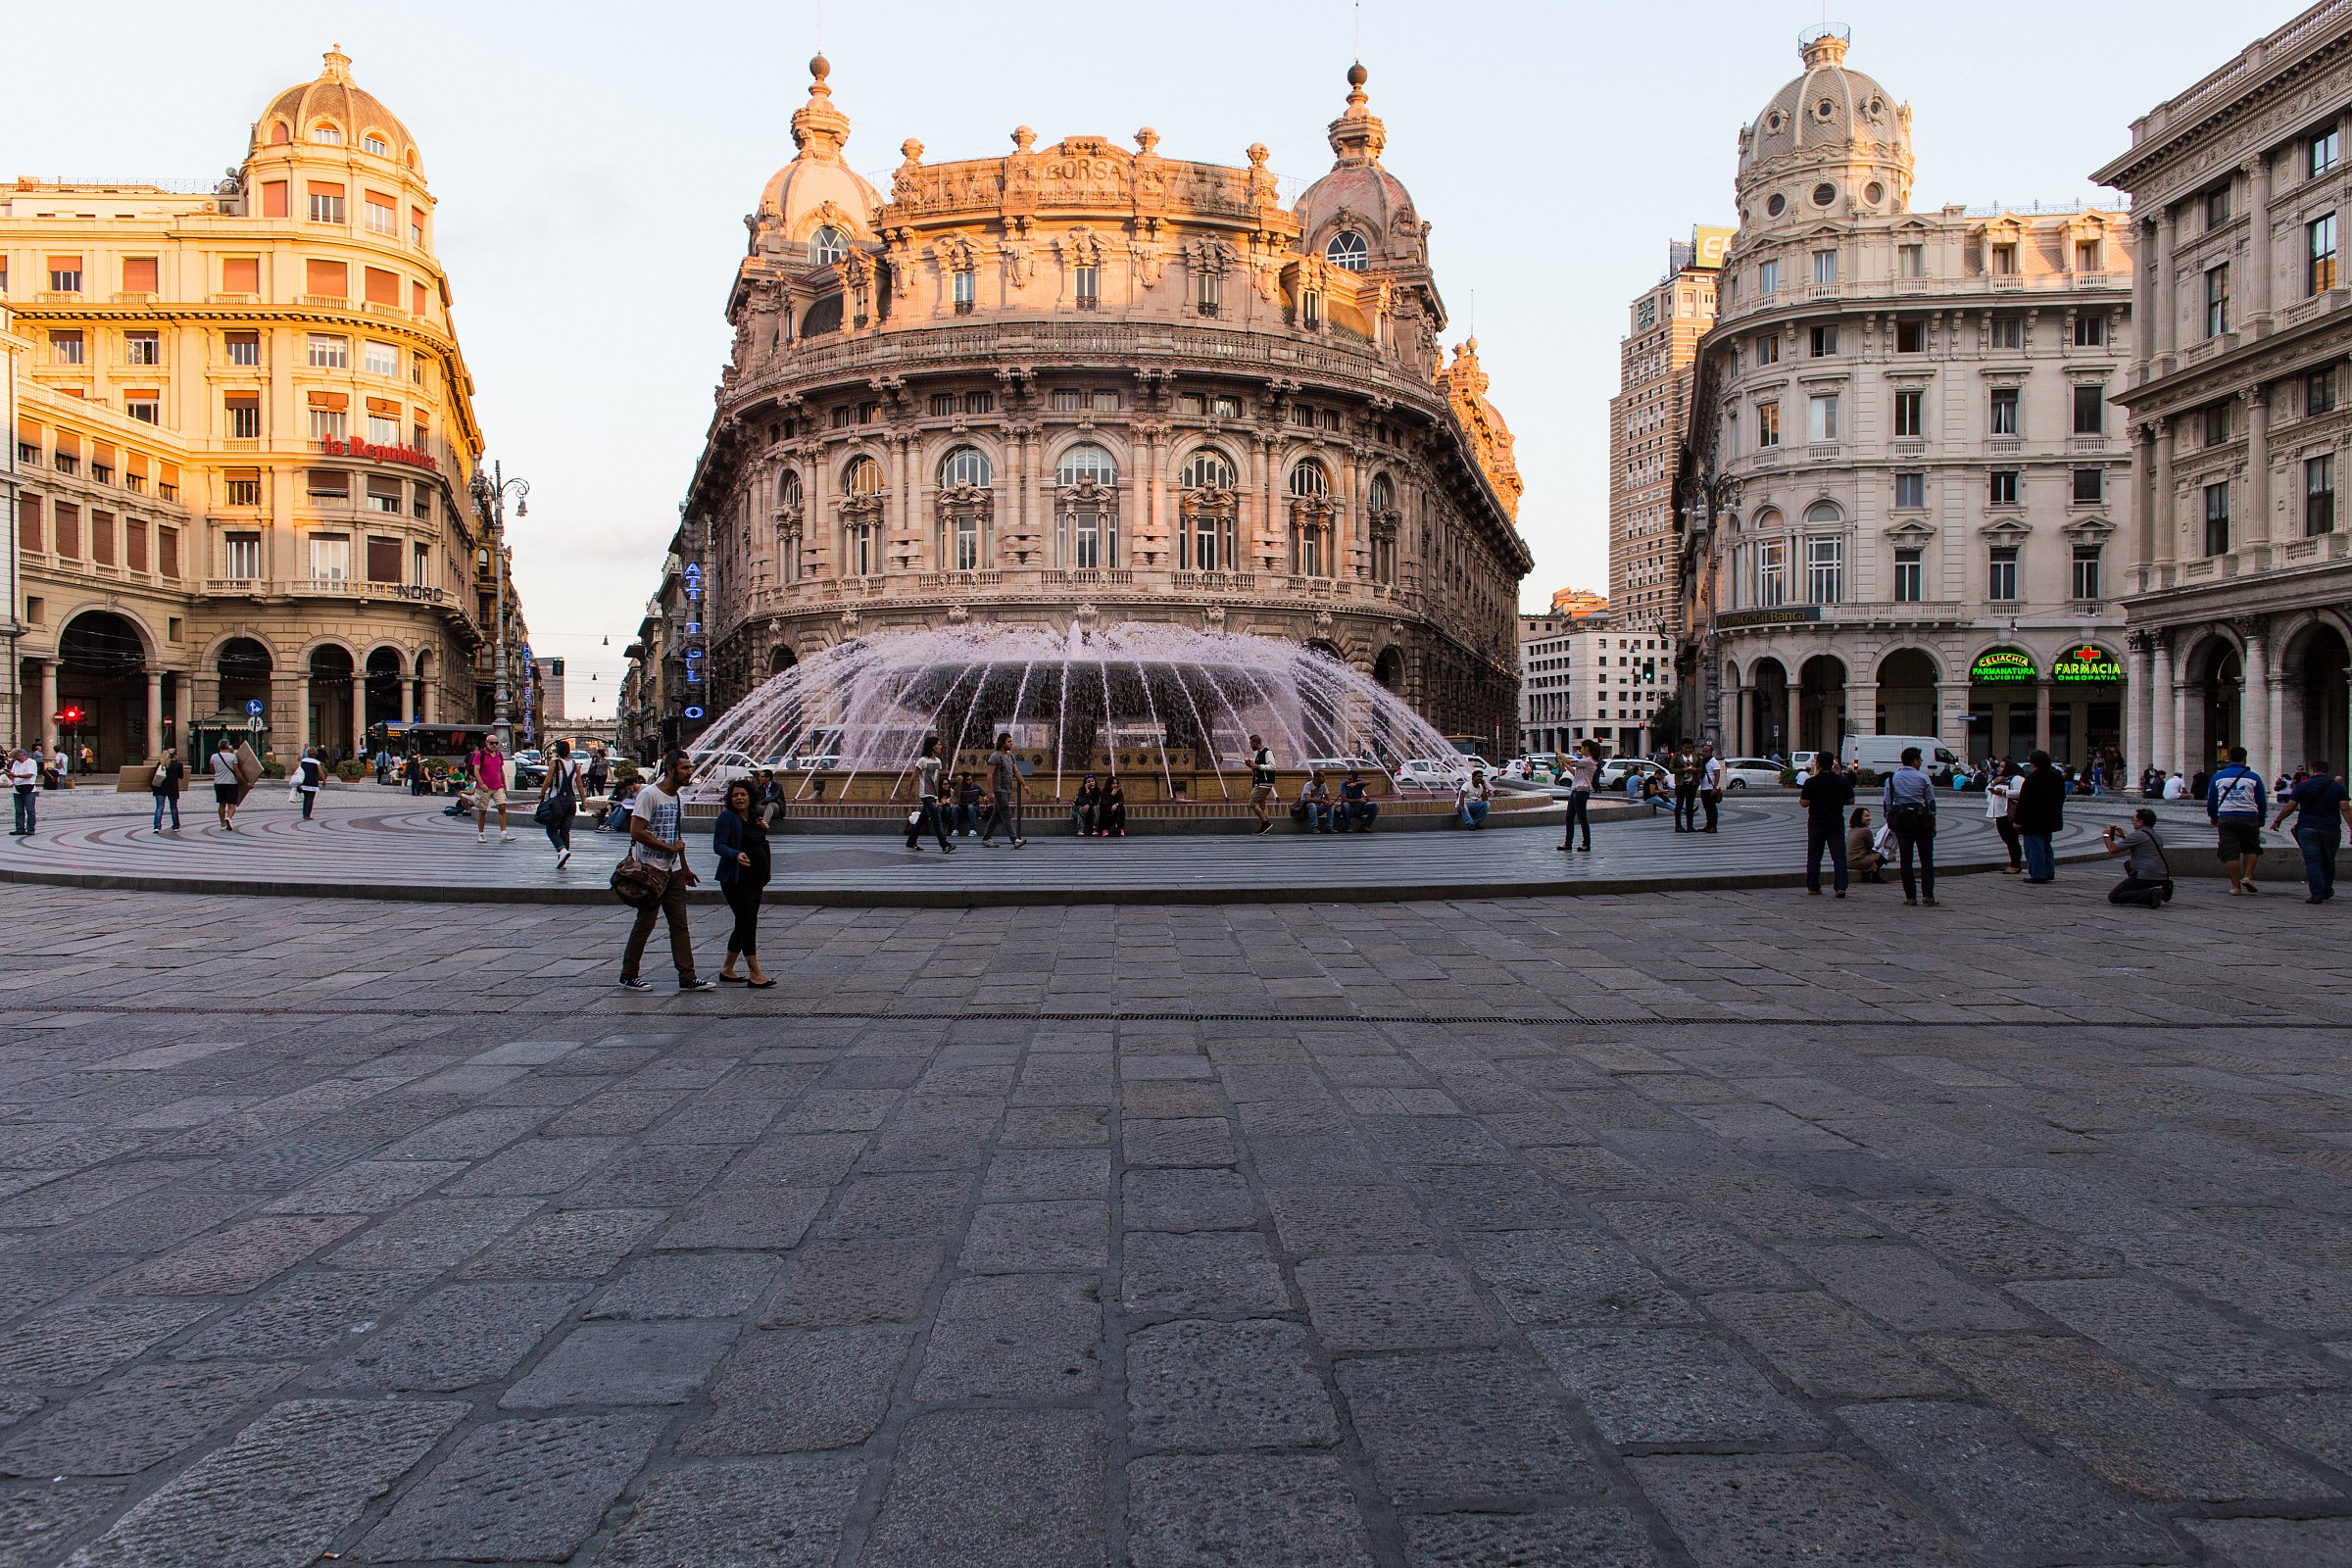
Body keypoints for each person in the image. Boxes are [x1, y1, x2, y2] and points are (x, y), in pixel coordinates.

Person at [619, 749, 715, 993]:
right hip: (649, 871)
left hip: (672, 873)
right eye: (684, 768)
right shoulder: (650, 795)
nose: (689, 772)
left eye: (689, 768)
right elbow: (637, 832)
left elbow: (677, 836)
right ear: (669, 769)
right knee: (645, 924)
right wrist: (668, 847)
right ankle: (629, 975)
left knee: (680, 925)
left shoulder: (676, 797)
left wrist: (685, 867)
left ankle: (687, 977)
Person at [712, 779, 774, 986]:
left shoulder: (754, 818)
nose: (739, 798)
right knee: (749, 922)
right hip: (735, 880)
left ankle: (727, 969)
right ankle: (755, 973)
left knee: (743, 923)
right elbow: (719, 846)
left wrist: (762, 829)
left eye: (743, 795)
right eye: (735, 795)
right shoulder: (726, 818)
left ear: (750, 797)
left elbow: (756, 841)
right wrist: (735, 854)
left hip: (755, 880)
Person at [2272, 758, 2352, 903]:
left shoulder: (2303, 786)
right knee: (2329, 860)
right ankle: (2327, 890)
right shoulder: (2338, 787)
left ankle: (2317, 893)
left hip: (2308, 828)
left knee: (2312, 861)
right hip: (2331, 829)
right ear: (2327, 772)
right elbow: (2345, 808)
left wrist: (2278, 820)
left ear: (2311, 771)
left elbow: (2290, 806)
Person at [2205, 745, 2269, 896]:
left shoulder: (2218, 777)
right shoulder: (2253, 777)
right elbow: (2261, 800)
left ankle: (2235, 887)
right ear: (2244, 759)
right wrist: (2261, 817)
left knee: (2230, 851)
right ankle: (2247, 876)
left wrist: (2213, 816)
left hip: (2226, 815)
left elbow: (2212, 800)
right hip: (2249, 815)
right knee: (2251, 847)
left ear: (2229, 759)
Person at [1883, 745, 1939, 906]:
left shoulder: (1892, 778)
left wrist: (1890, 821)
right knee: (1926, 860)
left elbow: (1887, 802)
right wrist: (1933, 822)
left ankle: (1910, 896)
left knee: (1906, 860)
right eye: (1920, 759)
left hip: (1902, 822)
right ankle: (1928, 895)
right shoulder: (1923, 778)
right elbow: (1931, 803)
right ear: (1915, 761)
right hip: (1921, 821)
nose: (1921, 762)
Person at [1800, 753, 1855, 897]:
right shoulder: (1841, 781)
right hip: (1835, 821)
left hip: (1816, 822)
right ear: (1833, 764)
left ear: (1817, 764)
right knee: (1838, 856)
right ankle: (1841, 886)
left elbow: (1804, 803)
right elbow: (1851, 800)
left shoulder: (1811, 782)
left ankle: (1813, 886)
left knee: (1814, 855)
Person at [2101, 808, 2175, 909]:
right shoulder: (2155, 835)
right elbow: (2139, 848)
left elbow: (2113, 850)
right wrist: (2123, 837)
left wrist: (2106, 835)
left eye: (2134, 819)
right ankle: (2150, 889)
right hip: (2162, 874)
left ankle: (2151, 894)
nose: (2132, 822)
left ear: (2140, 822)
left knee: (2114, 896)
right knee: (2128, 864)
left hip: (2147, 875)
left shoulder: (2138, 835)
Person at [2010, 749, 2065, 883]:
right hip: (2051, 817)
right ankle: (2049, 870)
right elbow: (2061, 797)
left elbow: (2025, 801)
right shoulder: (2057, 776)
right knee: (2047, 846)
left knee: (2034, 848)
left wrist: (2018, 820)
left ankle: (2038, 874)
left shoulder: (2032, 779)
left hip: (2033, 819)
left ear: (2034, 763)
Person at [905, 735, 955, 852]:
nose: (941, 747)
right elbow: (913, 778)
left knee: (922, 818)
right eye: (938, 744)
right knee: (936, 818)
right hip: (926, 794)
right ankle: (944, 844)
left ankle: (911, 841)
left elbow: (936, 780)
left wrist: (939, 795)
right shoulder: (922, 761)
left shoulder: (938, 761)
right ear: (932, 747)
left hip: (934, 794)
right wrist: (909, 793)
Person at [538, 738, 580, 868]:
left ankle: (561, 850)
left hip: (557, 801)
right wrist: (584, 801)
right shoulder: (575, 765)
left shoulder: (554, 763)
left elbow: (547, 780)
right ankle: (563, 862)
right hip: (572, 802)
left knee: (551, 830)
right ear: (568, 751)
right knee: (565, 831)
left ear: (557, 751)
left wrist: (542, 794)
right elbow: (580, 785)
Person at [981, 734, 1026, 848]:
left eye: (1011, 741)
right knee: (1006, 814)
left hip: (1007, 790)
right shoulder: (995, 757)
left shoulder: (1010, 756)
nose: (1011, 743)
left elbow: (1016, 772)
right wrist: (991, 792)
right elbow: (990, 774)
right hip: (999, 790)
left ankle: (986, 838)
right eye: (1009, 741)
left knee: (996, 815)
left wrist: (1024, 785)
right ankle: (1015, 840)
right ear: (1002, 743)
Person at [467, 733, 514, 845]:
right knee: (482, 810)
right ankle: (481, 834)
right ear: (486, 743)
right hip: (484, 788)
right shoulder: (480, 754)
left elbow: (501, 771)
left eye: (496, 743)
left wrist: (505, 786)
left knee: (502, 807)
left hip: (497, 786)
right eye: (491, 743)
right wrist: (482, 784)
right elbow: (476, 771)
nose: (494, 745)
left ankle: (503, 832)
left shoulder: (499, 755)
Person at [1984, 760, 2024, 875]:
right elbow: (1988, 793)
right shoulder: (2000, 779)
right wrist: (1993, 783)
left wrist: (2004, 793)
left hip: (2007, 813)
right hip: (1998, 814)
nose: (1999, 769)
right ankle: (2013, 863)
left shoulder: (2016, 779)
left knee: (2011, 840)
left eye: (2002, 767)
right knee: (2006, 839)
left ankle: (2015, 865)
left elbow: (2021, 792)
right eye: (1999, 767)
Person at [1558, 742, 1597, 852]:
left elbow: (1569, 761)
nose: (1581, 750)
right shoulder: (1584, 762)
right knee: (1569, 817)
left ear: (1587, 748)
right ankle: (1567, 843)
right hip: (1575, 790)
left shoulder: (1588, 761)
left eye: (1582, 748)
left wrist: (1559, 753)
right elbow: (1575, 773)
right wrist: (1564, 764)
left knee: (1582, 818)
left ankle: (1586, 844)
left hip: (1582, 791)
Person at [210, 735, 244, 832]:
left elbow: (212, 770)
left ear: (219, 747)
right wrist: (244, 782)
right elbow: (236, 771)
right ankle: (229, 818)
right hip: (231, 783)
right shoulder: (233, 757)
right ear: (228, 747)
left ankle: (222, 824)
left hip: (218, 783)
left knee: (221, 803)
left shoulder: (213, 757)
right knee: (232, 804)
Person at [1248, 734, 1277, 835]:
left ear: (1256, 743)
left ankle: (1266, 823)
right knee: (1262, 804)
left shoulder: (1267, 752)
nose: (1250, 746)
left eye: (1251, 743)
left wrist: (1259, 766)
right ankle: (1265, 829)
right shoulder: (1260, 753)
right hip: (1261, 782)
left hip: (1264, 783)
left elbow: (1272, 766)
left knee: (1252, 803)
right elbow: (1258, 767)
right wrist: (1251, 765)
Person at [1846, 808, 1885, 882]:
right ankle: (1874, 874)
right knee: (1883, 855)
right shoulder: (1865, 830)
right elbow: (1872, 846)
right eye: (1866, 816)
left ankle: (1868, 872)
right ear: (1859, 818)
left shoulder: (1852, 829)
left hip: (1847, 861)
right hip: (1856, 861)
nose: (1869, 818)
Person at [1337, 769, 1379, 833]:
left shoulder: (1358, 782)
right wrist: (1358, 800)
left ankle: (1365, 825)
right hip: (1349, 809)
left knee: (1376, 805)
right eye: (1347, 778)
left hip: (1359, 808)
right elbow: (1343, 799)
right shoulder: (1344, 784)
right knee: (1345, 805)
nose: (1348, 781)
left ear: (1355, 779)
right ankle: (1348, 826)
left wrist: (1356, 784)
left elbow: (1369, 782)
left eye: (1350, 779)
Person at [1672, 746, 1701, 832]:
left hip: (1692, 783)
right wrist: (1682, 770)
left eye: (1690, 748)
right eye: (1686, 748)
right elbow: (1671, 769)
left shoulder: (1696, 756)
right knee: (1679, 804)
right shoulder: (1677, 756)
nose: (1688, 750)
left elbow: (1701, 768)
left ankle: (1690, 825)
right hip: (1681, 784)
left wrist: (1694, 770)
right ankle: (1678, 825)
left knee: (1690, 805)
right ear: (1682, 747)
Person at [9, 749, 37, 836]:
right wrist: (9, 775)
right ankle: (20, 828)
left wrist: (16, 775)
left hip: (29, 788)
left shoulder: (31, 762)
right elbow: (13, 773)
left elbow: (29, 775)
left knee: (30, 810)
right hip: (17, 788)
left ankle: (30, 828)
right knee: (18, 810)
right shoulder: (16, 763)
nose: (15, 759)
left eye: (16, 756)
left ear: (21, 754)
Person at [1699, 746, 1725, 833]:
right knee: (1706, 807)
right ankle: (1708, 824)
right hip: (1704, 787)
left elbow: (1717, 774)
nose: (1704, 753)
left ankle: (1713, 826)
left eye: (1706, 751)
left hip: (1710, 788)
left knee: (1712, 808)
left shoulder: (1713, 762)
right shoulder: (1703, 761)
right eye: (1703, 751)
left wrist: (1715, 787)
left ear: (1711, 752)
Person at [295, 746, 324, 820]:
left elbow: (300, 771)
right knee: (310, 799)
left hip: (304, 782)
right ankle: (308, 814)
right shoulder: (316, 762)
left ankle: (304, 813)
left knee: (306, 798)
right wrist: (324, 780)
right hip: (312, 782)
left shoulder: (303, 761)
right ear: (315, 754)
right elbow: (320, 772)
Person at [955, 772, 985, 837]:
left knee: (970, 807)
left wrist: (985, 797)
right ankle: (955, 829)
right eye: (968, 780)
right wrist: (959, 784)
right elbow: (957, 798)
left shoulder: (977, 786)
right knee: (955, 808)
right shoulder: (959, 787)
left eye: (971, 779)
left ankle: (973, 829)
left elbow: (984, 794)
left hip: (974, 809)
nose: (970, 781)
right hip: (963, 809)